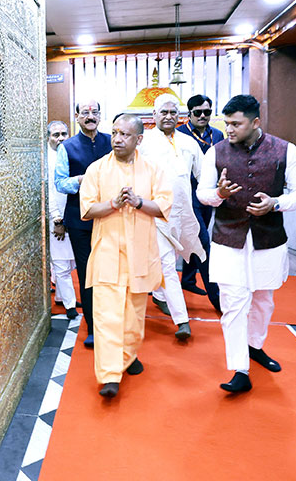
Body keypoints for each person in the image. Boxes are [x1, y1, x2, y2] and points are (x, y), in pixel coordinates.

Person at [197, 94, 296, 393]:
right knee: (233, 302)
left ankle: (255, 346)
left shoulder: (285, 150)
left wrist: (276, 203)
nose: (229, 129)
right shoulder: (215, 152)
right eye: (227, 123)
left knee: (263, 300)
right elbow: (202, 193)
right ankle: (240, 369)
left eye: (236, 124)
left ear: (256, 122)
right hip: (227, 238)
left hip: (269, 238)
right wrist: (219, 194)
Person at [80, 114, 173, 398]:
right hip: (108, 253)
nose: (117, 139)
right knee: (106, 316)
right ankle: (110, 375)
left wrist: (138, 202)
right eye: (114, 133)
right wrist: (113, 203)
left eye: (124, 134)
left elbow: (164, 206)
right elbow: (87, 210)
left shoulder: (153, 169)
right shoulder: (97, 169)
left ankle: (128, 356)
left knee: (133, 317)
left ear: (138, 139)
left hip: (140, 254)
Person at [138, 94, 205, 340]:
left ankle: (158, 296)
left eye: (173, 112)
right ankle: (182, 320)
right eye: (163, 112)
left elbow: (203, 175)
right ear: (154, 115)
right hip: (155, 213)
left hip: (183, 214)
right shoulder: (144, 142)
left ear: (180, 116)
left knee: (172, 258)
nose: (168, 116)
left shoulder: (189, 142)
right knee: (168, 265)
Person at [55, 99, 112, 347]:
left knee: (111, 272)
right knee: (88, 273)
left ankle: (112, 322)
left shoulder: (111, 141)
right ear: (77, 116)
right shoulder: (67, 147)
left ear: (100, 115)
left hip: (111, 216)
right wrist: (81, 180)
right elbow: (60, 183)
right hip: (80, 220)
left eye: (94, 112)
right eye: (85, 113)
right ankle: (92, 325)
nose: (90, 116)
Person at [177, 94, 224, 310]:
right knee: (203, 240)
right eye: (198, 112)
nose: (203, 116)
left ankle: (188, 280)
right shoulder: (180, 134)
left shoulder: (218, 135)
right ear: (189, 114)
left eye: (207, 112)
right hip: (188, 194)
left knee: (197, 236)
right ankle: (217, 297)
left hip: (210, 193)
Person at [47, 121, 78, 319]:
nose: (60, 138)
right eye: (55, 135)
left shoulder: (68, 154)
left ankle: (61, 296)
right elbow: (49, 193)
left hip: (72, 215)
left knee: (70, 261)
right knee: (61, 263)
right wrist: (57, 220)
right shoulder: (47, 160)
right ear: (48, 137)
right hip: (56, 218)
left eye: (64, 134)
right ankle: (70, 305)